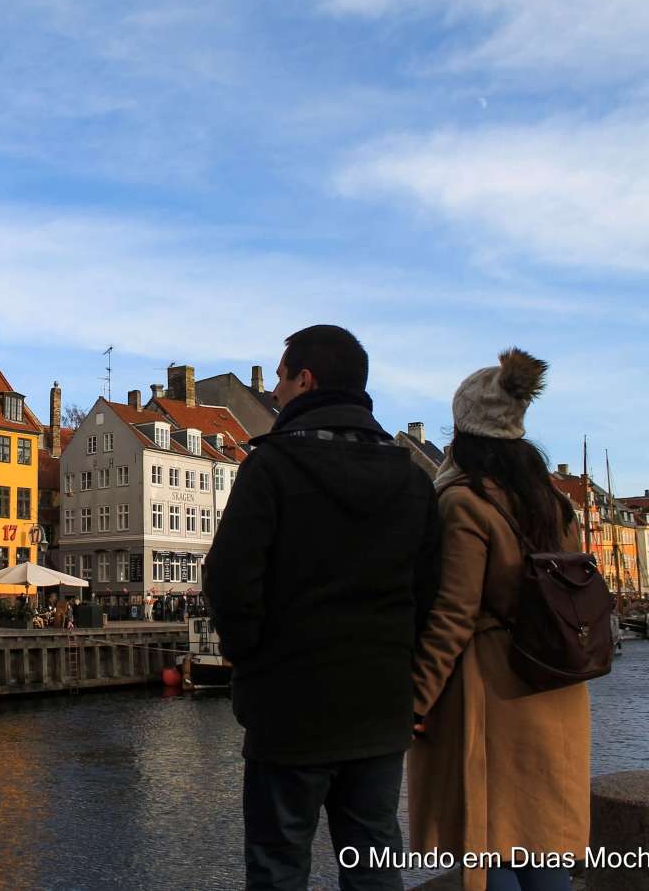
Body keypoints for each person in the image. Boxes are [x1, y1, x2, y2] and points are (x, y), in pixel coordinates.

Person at [204, 325, 440, 891]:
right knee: (374, 861)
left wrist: (251, 662)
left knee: (279, 866)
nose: (277, 394)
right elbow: (432, 592)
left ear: (304, 380)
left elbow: (230, 580)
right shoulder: (411, 480)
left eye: (281, 380)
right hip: (380, 710)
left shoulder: (272, 467)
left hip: (289, 710)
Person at [408, 349, 587, 891]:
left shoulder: (464, 502)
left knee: (491, 844)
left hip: (494, 690)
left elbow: (452, 616)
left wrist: (414, 699)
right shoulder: (554, 503)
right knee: (547, 844)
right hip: (556, 683)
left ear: (464, 432)